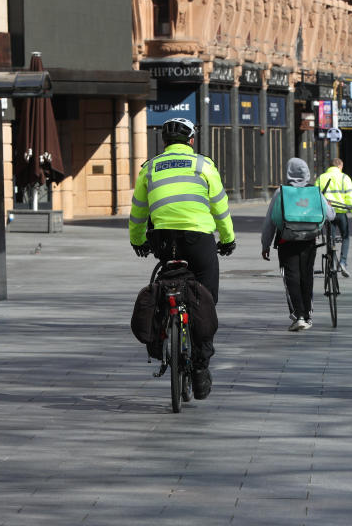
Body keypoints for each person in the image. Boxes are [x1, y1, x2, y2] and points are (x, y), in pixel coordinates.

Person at [129, 117, 236, 400]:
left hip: (164, 241)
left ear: (164, 144)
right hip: (199, 240)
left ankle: (164, 331)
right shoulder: (203, 165)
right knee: (207, 299)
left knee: (164, 283)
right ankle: (200, 368)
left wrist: (137, 240)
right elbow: (220, 207)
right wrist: (227, 239)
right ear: (191, 141)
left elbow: (139, 210)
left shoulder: (149, 168)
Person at [261, 158, 335, 331]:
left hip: (286, 240)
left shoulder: (281, 192)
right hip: (308, 240)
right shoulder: (315, 192)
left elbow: (270, 221)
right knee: (306, 275)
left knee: (291, 277)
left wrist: (265, 244)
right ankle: (308, 315)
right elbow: (330, 216)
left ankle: (299, 315)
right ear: (307, 172)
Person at [315, 158, 352, 276]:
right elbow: (350, 195)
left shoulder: (321, 178)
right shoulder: (345, 178)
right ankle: (343, 262)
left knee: (330, 238)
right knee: (345, 236)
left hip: (328, 213)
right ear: (340, 166)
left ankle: (332, 260)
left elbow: (315, 195)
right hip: (340, 212)